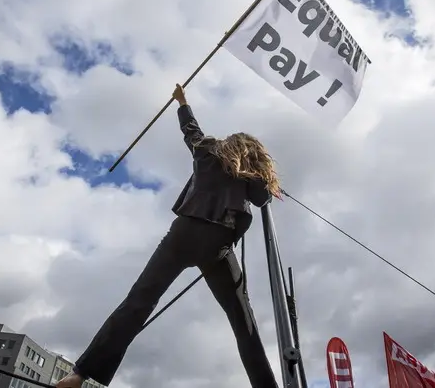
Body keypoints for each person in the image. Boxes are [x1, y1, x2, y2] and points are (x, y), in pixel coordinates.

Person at [55, 84, 282, 388]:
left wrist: (182, 102)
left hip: (184, 234)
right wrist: (262, 177)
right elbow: (263, 200)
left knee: (139, 300)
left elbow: (191, 129)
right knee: (243, 320)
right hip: (219, 244)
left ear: (228, 144)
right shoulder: (251, 179)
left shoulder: (205, 152)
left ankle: (79, 374)